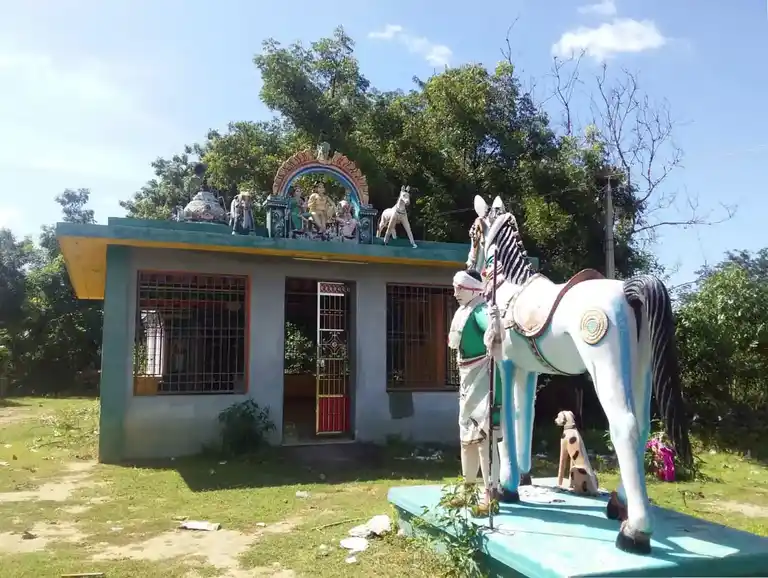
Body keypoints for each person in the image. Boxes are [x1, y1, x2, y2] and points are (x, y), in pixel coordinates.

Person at [447, 269, 502, 516]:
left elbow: (494, 335)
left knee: (483, 439)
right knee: (466, 437)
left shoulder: (481, 311)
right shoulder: (463, 311)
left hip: (484, 380)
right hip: (467, 380)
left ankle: (490, 493)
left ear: (472, 288)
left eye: (459, 287)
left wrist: (495, 324)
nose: (455, 292)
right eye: (455, 287)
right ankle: (467, 490)